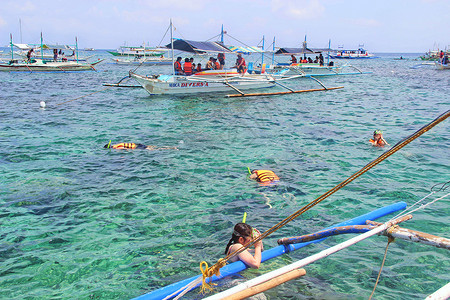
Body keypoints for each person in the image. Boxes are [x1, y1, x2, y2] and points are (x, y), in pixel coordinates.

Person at [104, 142, 178, 150]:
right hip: (137, 144)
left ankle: (171, 148)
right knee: (153, 146)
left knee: (156, 149)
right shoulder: (117, 144)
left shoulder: (116, 147)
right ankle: (171, 146)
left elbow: (124, 148)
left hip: (136, 147)